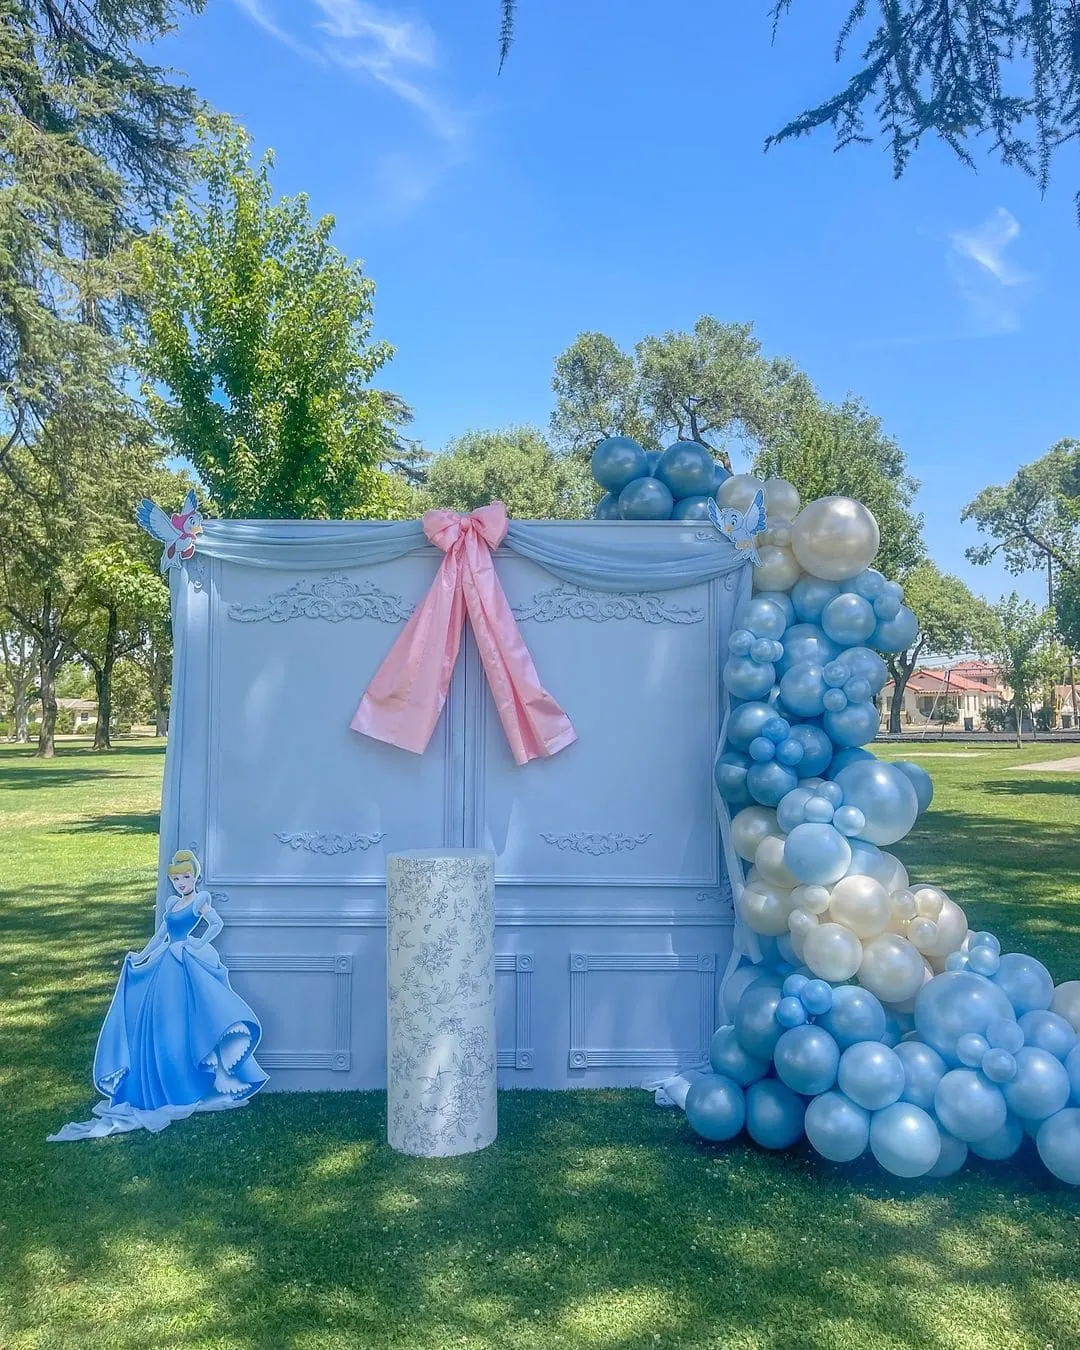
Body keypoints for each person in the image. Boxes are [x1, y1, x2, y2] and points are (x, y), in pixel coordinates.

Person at [49, 849, 267, 1140]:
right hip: (166, 961)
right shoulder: (172, 902)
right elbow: (161, 934)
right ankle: (158, 1080)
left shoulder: (200, 900)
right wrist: (141, 955)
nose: (180, 883)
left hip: (182, 961)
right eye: (176, 879)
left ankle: (187, 1078)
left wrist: (195, 944)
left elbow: (216, 924)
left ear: (195, 876)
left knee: (185, 1019)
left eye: (185, 877)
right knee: (159, 1019)